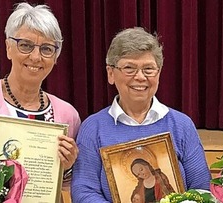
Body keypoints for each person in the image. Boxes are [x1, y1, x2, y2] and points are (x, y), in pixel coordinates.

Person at [71, 27, 211, 202]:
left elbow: (201, 189)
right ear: (110, 73)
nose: (140, 77)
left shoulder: (181, 125)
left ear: (158, 73)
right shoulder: (93, 128)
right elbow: (84, 192)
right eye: (129, 68)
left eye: (148, 69)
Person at [0, 2, 80, 172]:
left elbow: (67, 189)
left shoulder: (68, 115)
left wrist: (68, 169)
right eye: (25, 45)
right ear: (8, 48)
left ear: (56, 57)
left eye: (47, 49)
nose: (35, 57)